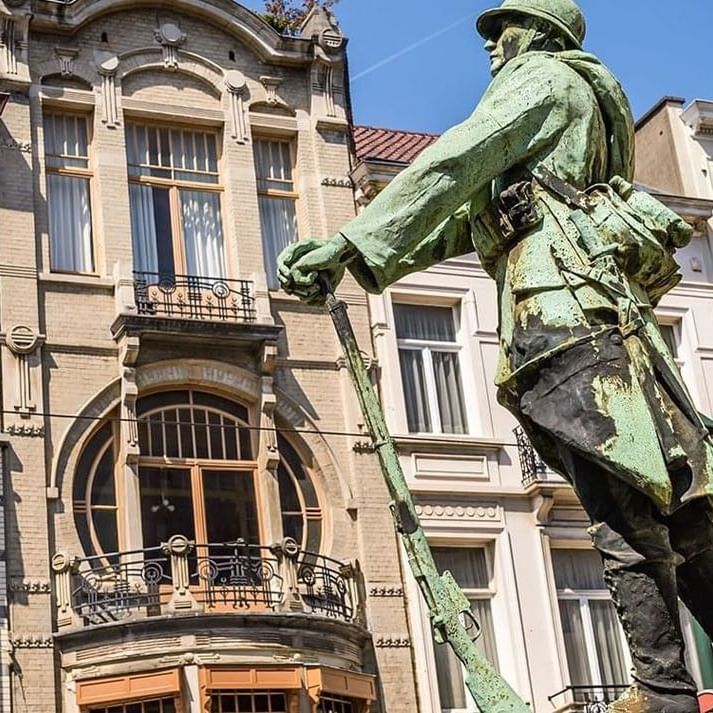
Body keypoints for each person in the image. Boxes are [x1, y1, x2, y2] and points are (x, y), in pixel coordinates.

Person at [277, 1, 713, 711]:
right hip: (610, 315)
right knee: (683, 507)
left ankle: (663, 692)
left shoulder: (540, 77)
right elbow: (470, 220)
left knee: (625, 513)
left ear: (539, 35)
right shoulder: (588, 111)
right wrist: (360, 261)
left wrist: (347, 243)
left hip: (563, 316)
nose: (490, 46)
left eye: (501, 30)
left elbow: (461, 154)